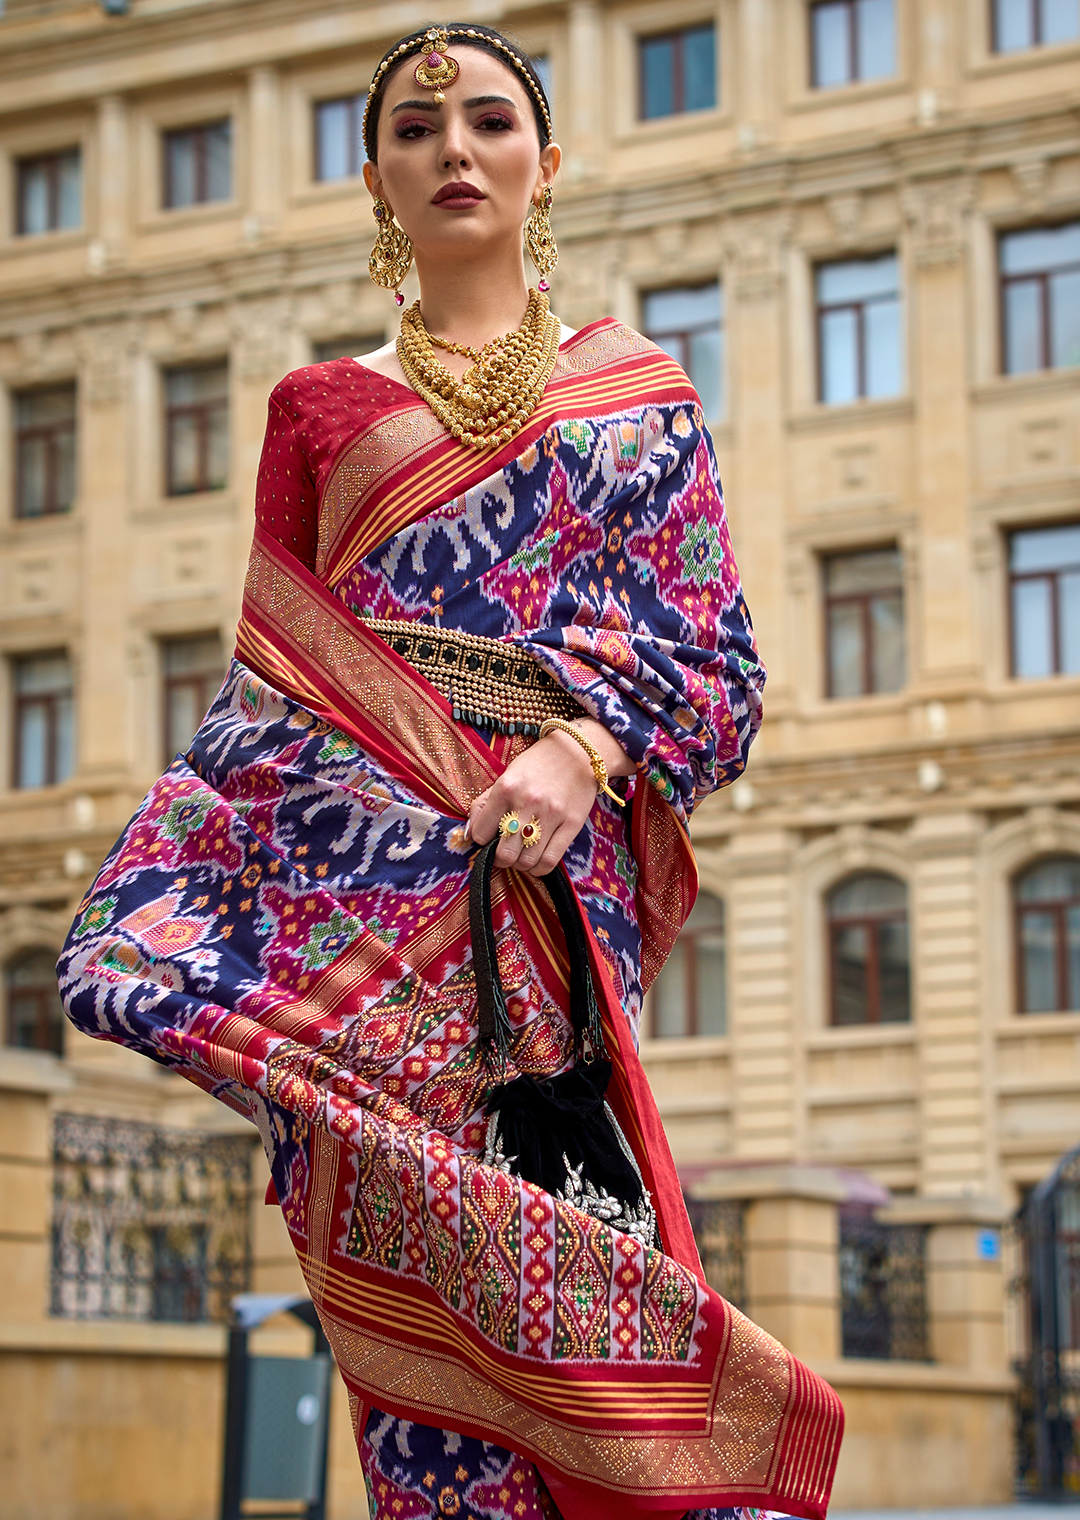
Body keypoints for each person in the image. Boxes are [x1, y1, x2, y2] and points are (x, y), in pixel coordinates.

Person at [58, 23, 841, 1520]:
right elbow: (273, 697)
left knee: (570, 1259)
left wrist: (582, 748)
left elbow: (723, 674)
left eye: (490, 120)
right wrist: (167, 916)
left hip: (540, 918)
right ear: (378, 181)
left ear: (549, 167)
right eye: (417, 132)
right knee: (425, 1346)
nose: (455, 148)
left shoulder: (642, 394)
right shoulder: (321, 410)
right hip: (364, 933)